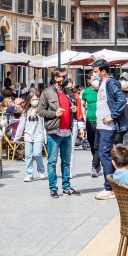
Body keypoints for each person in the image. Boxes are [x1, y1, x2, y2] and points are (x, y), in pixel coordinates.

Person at [37, 68, 82, 198]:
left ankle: (67, 187)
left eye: (65, 76)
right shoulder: (47, 92)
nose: (65, 78)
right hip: (54, 131)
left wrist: (73, 108)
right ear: (56, 78)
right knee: (52, 161)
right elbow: (40, 111)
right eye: (62, 76)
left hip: (67, 131)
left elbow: (72, 106)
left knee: (66, 161)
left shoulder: (68, 92)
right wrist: (54, 114)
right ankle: (53, 188)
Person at [92, 60, 126, 200]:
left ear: (103, 71)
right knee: (103, 153)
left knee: (104, 155)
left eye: (96, 71)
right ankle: (111, 186)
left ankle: (110, 188)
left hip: (107, 127)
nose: (94, 74)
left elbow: (121, 100)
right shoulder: (102, 84)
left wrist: (112, 116)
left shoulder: (111, 83)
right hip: (101, 125)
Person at [15, 92, 47, 182]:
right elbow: (21, 125)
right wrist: (17, 137)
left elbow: (44, 124)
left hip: (39, 135)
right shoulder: (26, 112)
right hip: (28, 135)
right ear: (29, 101)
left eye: (36, 99)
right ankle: (29, 174)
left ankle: (41, 169)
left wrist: (45, 137)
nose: (35, 101)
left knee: (37, 154)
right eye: (33, 100)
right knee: (28, 155)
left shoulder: (41, 110)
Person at [82, 75, 101, 177]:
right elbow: (82, 104)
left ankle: (94, 166)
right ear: (89, 81)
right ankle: (97, 162)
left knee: (97, 145)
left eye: (96, 79)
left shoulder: (102, 90)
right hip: (90, 121)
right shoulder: (86, 92)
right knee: (92, 144)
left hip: (100, 121)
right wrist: (84, 116)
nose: (95, 81)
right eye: (93, 79)